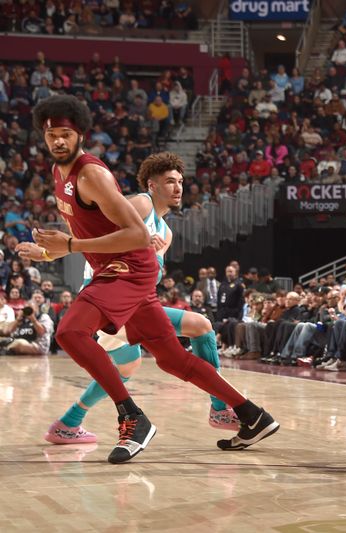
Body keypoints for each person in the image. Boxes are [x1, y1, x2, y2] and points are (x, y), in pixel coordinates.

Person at [21, 95, 279, 464]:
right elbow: (80, 231)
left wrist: (72, 245)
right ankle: (251, 414)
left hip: (127, 268)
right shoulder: (59, 174)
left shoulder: (92, 174)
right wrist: (50, 251)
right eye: (51, 136)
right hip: (121, 271)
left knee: (69, 332)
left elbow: (138, 237)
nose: (58, 141)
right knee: (172, 358)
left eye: (65, 134)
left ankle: (132, 418)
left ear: (80, 134)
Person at [44, 152, 243, 446]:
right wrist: (140, 246)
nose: (177, 188)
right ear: (151, 184)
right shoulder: (140, 203)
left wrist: (155, 255)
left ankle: (67, 424)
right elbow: (109, 246)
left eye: (180, 182)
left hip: (133, 301)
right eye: (169, 181)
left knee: (131, 364)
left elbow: (151, 275)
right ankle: (219, 408)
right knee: (197, 327)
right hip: (106, 296)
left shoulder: (167, 232)